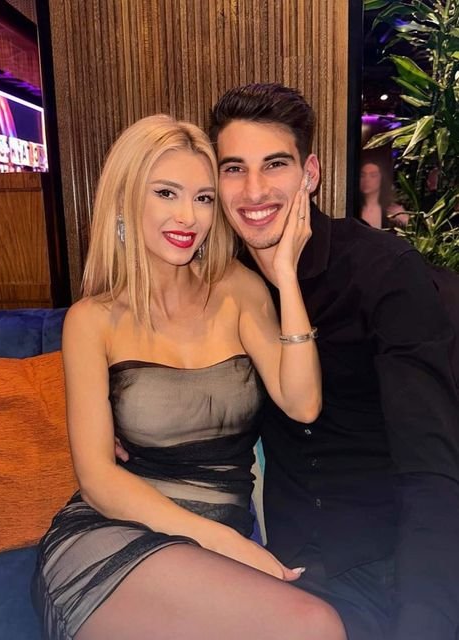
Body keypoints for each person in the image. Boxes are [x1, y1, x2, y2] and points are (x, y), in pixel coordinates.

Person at [32, 114, 346, 640]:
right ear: (125, 200)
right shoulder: (92, 320)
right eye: (166, 193)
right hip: (111, 540)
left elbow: (303, 403)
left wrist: (285, 277)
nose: (188, 216)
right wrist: (227, 544)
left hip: (213, 541)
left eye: (203, 198)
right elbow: (99, 479)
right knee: (314, 625)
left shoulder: (237, 289)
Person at [209, 83, 459, 640]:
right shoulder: (223, 290)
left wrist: (428, 616)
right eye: (234, 169)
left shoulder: (381, 271)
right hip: (289, 566)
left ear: (310, 173)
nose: (253, 190)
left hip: (393, 556)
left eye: (275, 164)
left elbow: (431, 463)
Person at [359, 158, 408, 229]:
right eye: (362, 175)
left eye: (373, 175)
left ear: (382, 179)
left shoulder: (393, 210)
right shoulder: (351, 208)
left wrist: (405, 219)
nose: (367, 179)